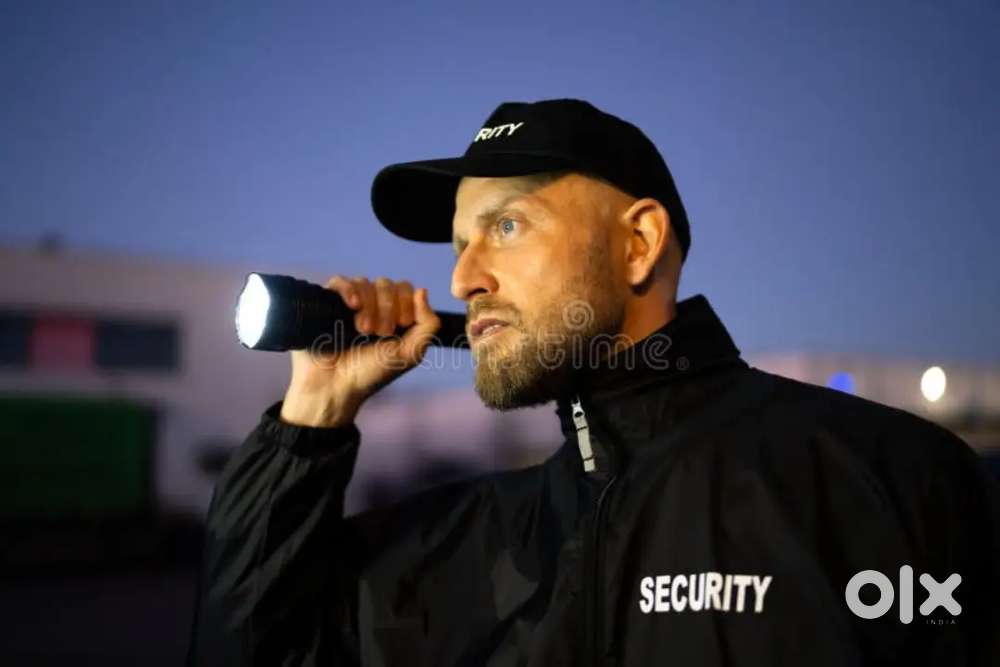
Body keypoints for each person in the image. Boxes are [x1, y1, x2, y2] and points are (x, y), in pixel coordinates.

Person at [187, 99, 999, 666]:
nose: (464, 277)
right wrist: (313, 416)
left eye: (507, 225)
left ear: (639, 243)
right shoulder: (465, 543)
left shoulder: (891, 481)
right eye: (460, 245)